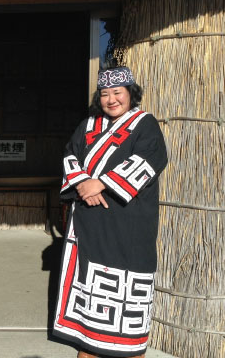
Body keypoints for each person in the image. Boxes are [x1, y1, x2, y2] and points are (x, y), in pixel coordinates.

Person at [53, 66, 168, 358]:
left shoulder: (144, 124)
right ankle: (89, 344)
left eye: (118, 92)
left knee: (129, 305)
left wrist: (100, 184)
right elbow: (70, 155)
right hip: (90, 226)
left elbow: (149, 160)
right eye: (104, 94)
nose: (111, 100)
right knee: (90, 312)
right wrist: (83, 187)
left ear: (131, 94)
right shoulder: (88, 126)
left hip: (129, 225)